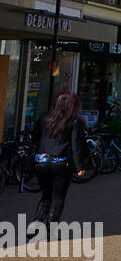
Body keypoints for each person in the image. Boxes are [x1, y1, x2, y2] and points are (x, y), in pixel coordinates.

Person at [30, 90, 90, 229]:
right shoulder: (74, 122)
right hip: (61, 163)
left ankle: (34, 227)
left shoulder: (44, 117)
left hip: (41, 162)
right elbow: (77, 146)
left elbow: (34, 137)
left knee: (46, 196)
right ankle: (51, 229)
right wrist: (80, 167)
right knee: (58, 198)